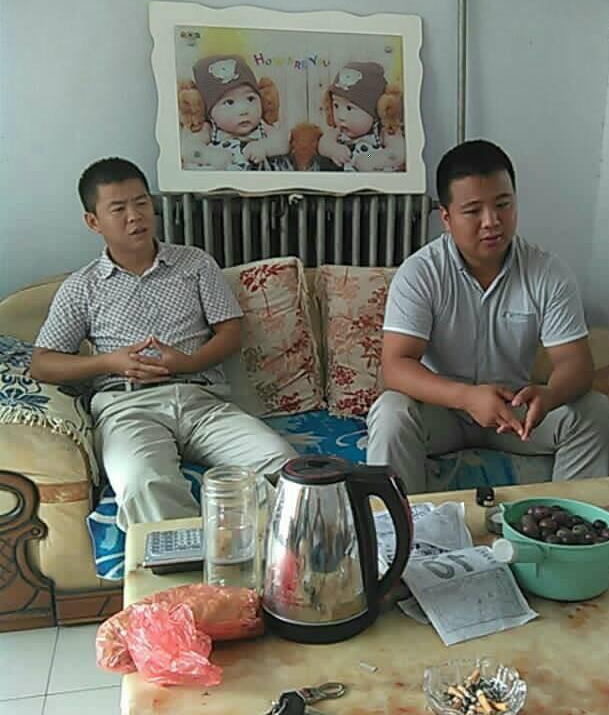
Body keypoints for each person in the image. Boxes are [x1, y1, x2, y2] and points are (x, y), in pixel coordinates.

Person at [30, 157, 296, 531]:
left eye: (141, 203)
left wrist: (186, 363)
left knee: (282, 464)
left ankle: (263, 557)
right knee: (142, 483)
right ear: (93, 221)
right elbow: (42, 363)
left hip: (201, 400)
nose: (135, 216)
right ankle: (186, 567)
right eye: (118, 209)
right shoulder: (82, 287)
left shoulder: (195, 263)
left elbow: (231, 334)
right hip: (127, 406)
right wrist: (109, 362)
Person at [366, 139, 609, 494]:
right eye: (473, 211)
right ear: (447, 218)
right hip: (442, 410)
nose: (491, 222)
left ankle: (570, 522)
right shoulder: (420, 273)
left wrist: (550, 395)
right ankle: (398, 526)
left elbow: (575, 363)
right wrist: (467, 397)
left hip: (513, 412)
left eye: (503, 205)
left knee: (594, 411)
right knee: (391, 411)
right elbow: (396, 366)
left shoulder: (547, 273)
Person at [192, 54, 290, 170]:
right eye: (229, 102)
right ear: (210, 112)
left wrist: (264, 147)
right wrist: (208, 155)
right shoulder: (210, 130)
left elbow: (284, 143)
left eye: (250, 99)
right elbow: (189, 149)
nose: (243, 110)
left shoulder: (261, 126)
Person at [318, 62, 405, 172]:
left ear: (376, 110)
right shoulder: (338, 131)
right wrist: (333, 149)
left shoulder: (384, 132)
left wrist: (371, 158)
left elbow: (397, 152)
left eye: (349, 108)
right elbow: (323, 144)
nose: (341, 116)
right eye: (336, 106)